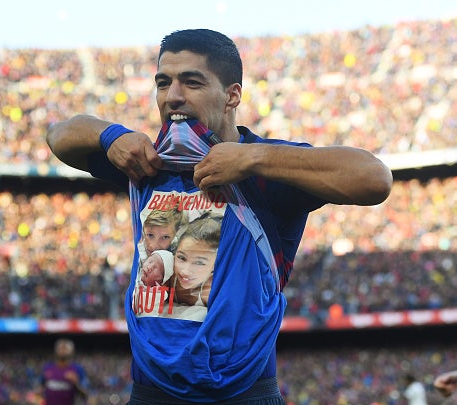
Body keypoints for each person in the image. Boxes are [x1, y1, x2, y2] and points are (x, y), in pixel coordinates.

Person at [47, 28, 392, 404]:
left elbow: (374, 178)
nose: (173, 96)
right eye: (163, 83)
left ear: (232, 95)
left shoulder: (265, 170)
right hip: (151, 393)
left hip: (243, 393)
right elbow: (60, 136)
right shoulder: (148, 162)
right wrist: (109, 136)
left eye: (192, 82)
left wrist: (254, 158)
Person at [40, 338, 88, 405]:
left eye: (65, 348)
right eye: (60, 348)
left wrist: (76, 383)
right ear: (56, 350)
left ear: (71, 351)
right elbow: (39, 389)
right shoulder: (47, 368)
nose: (62, 351)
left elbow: (87, 394)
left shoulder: (77, 369)